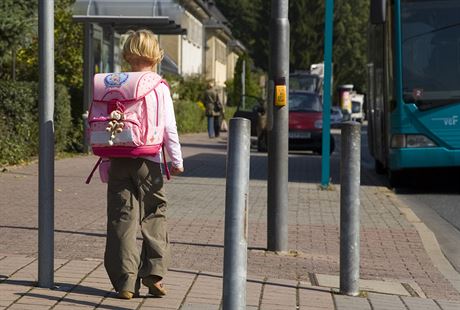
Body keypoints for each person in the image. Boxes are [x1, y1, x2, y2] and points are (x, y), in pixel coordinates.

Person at [104, 29, 184, 300]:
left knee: (121, 218)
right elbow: (169, 128)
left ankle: (125, 282)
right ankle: (153, 273)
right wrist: (176, 160)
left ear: (128, 54)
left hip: (118, 158)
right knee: (154, 213)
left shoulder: (115, 83)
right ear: (156, 54)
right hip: (149, 160)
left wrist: (106, 161)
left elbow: (107, 126)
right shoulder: (159, 86)